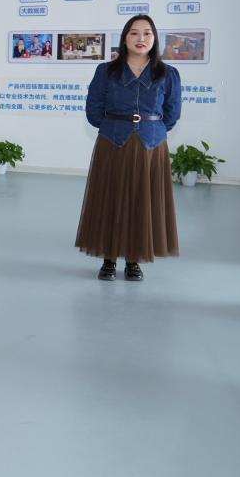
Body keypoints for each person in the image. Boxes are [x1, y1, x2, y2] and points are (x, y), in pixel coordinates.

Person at [75, 14, 182, 280]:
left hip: (151, 146)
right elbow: (94, 110)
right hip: (112, 143)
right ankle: (109, 259)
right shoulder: (106, 71)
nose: (140, 38)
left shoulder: (168, 73)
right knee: (110, 201)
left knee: (141, 204)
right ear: (124, 38)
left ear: (154, 39)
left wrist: (150, 128)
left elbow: (172, 114)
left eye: (147, 33)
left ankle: (134, 260)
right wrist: (114, 126)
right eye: (134, 33)